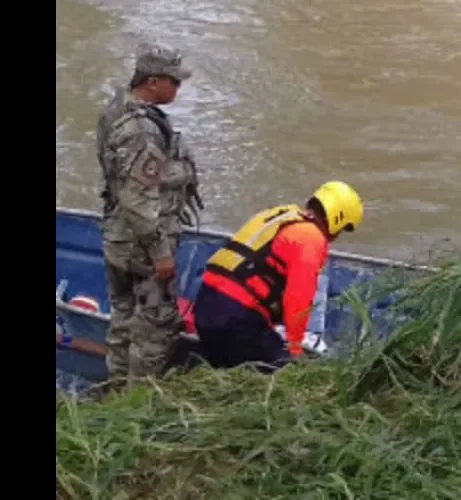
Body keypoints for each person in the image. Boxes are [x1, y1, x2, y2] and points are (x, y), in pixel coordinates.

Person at [96, 42, 204, 384]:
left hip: (117, 237)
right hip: (142, 245)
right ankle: (139, 402)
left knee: (123, 318)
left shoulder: (117, 109)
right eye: (174, 81)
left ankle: (114, 390)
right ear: (153, 81)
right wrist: (161, 253)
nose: (178, 88)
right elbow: (139, 198)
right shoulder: (142, 130)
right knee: (155, 327)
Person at [192, 181, 364, 372]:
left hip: (204, 306)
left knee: (228, 367)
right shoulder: (311, 239)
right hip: (235, 318)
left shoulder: (281, 215)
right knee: (281, 372)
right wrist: (294, 350)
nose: (337, 236)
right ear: (337, 220)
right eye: (342, 230)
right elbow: (298, 299)